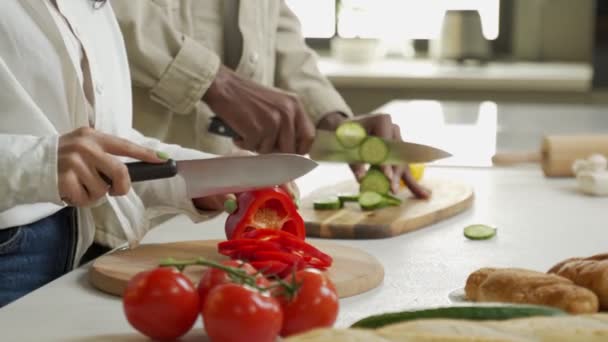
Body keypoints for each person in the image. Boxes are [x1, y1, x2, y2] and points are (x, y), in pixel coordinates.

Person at [0, 0, 263, 307]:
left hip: (72, 254)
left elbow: (106, 140)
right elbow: (56, 157)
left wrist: (202, 175)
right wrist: (38, 164)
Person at [112, 1, 429, 197]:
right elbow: (97, 9)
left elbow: (273, 22)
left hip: (231, 196)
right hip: (130, 192)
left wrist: (327, 117)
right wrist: (212, 81)